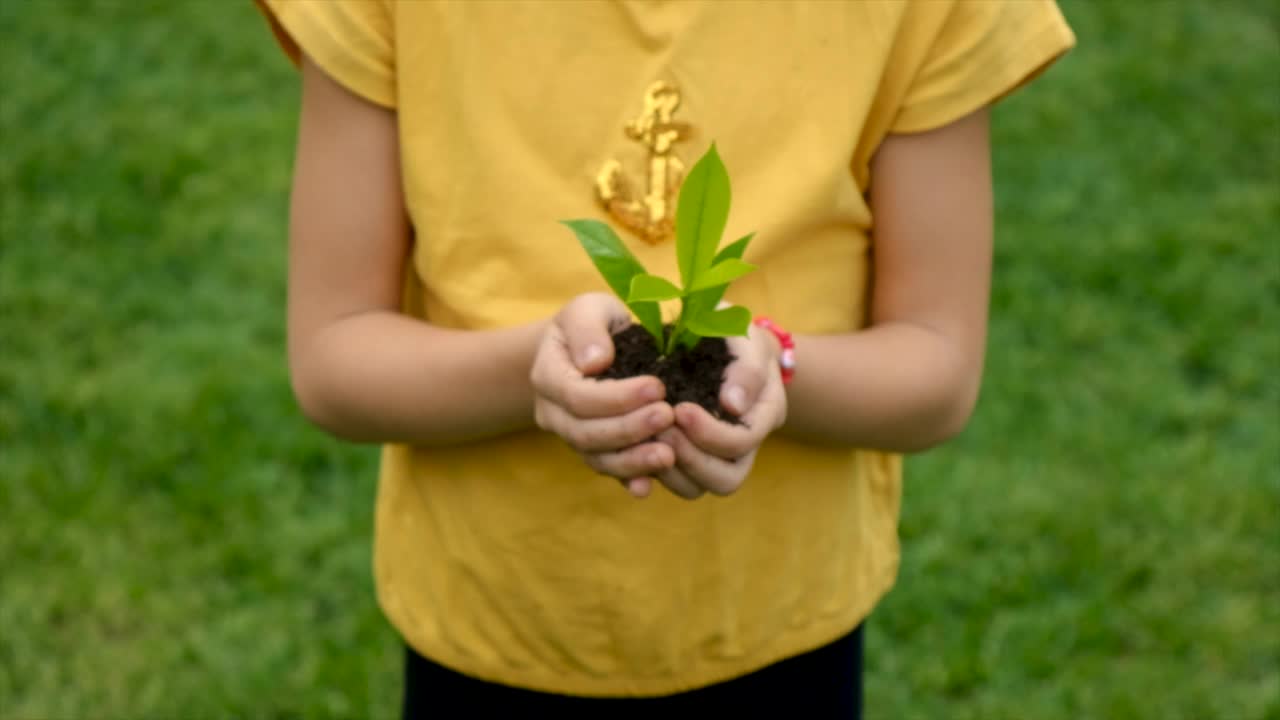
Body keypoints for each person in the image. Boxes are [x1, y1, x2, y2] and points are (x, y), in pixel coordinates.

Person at [254, 1, 1074, 716]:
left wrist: (773, 370)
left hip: (778, 621)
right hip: (495, 616)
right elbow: (334, 354)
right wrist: (537, 373)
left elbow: (936, 369)